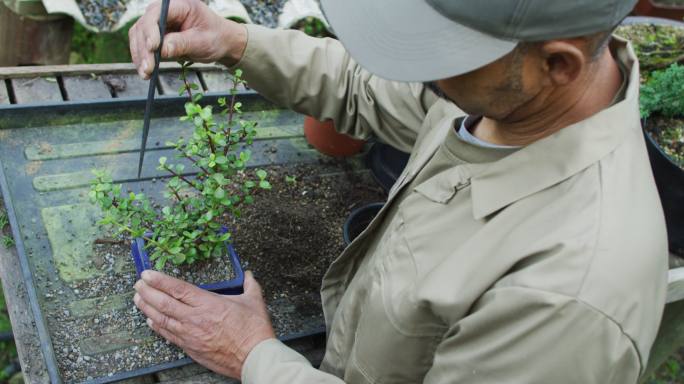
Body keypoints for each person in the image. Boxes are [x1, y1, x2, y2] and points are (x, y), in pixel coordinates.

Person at [129, 0, 669, 382]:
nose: (418, 67)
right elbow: (367, 86)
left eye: (439, 51)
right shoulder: (512, 94)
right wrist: (234, 40)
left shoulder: (568, 299)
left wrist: (254, 356)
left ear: (557, 64)